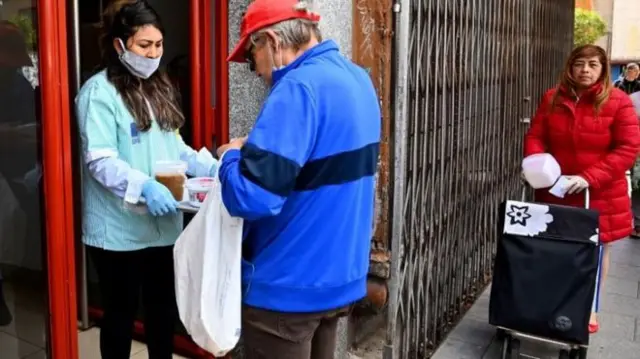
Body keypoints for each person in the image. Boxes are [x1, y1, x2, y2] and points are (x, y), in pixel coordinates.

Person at [217, 0, 381, 358]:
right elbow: (321, 162)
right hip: (338, 275)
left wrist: (229, 157)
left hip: (288, 284)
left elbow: (251, 197)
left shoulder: (295, 88)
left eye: (250, 56)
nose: (255, 71)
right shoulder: (358, 78)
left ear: (273, 42)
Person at [74, 1, 218, 358]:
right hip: (118, 230)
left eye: (158, 45)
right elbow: (101, 161)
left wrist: (210, 167)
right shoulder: (98, 92)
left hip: (163, 221)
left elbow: (175, 146)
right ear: (120, 44)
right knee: (120, 316)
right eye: (144, 45)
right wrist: (145, 187)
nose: (153, 54)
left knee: (162, 312)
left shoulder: (158, 86)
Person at [524, 44, 640, 334]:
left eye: (592, 64)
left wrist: (591, 176)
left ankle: (590, 306)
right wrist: (536, 163)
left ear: (602, 69)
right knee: (556, 247)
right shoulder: (553, 98)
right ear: (570, 66)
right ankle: (554, 299)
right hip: (556, 188)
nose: (585, 70)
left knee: (596, 249)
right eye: (579, 63)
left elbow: (628, 147)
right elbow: (536, 134)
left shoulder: (618, 102)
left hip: (599, 192)